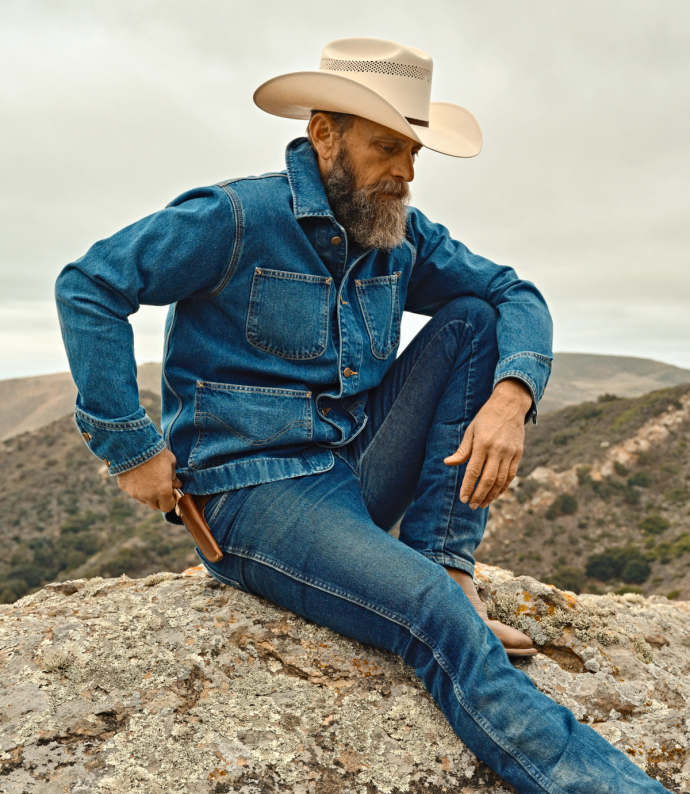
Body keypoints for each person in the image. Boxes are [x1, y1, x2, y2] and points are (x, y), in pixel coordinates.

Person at [55, 38, 667, 792]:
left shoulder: (397, 232)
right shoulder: (236, 217)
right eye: (387, 148)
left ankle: (446, 557)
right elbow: (89, 284)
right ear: (323, 134)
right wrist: (129, 444)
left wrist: (513, 395)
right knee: (435, 617)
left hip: (354, 466)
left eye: (414, 152)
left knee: (473, 317)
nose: (405, 173)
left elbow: (515, 294)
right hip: (256, 492)